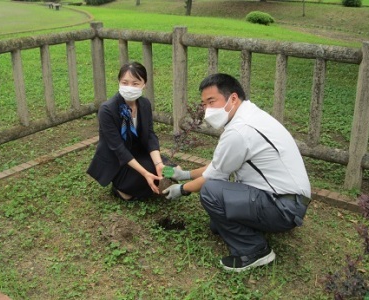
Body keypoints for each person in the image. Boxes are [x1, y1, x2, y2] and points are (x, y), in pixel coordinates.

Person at [162, 73, 311, 272]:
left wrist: (182, 189)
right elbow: (219, 165)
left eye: (211, 101)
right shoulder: (249, 115)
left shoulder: (239, 131)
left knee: (211, 192)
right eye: (204, 104)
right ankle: (256, 227)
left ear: (232, 98)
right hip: (287, 201)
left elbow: (211, 178)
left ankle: (254, 251)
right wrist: (186, 174)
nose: (207, 110)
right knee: (217, 224)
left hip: (284, 208)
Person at [87, 61, 167, 201]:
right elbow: (118, 149)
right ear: (119, 82)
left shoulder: (144, 104)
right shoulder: (107, 110)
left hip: (138, 154)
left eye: (135, 83)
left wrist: (159, 164)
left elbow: (150, 136)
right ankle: (120, 188)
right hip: (118, 162)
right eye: (125, 82)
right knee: (150, 178)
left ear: (144, 84)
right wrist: (145, 173)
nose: (129, 87)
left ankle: (146, 184)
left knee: (171, 171)